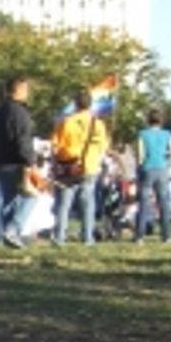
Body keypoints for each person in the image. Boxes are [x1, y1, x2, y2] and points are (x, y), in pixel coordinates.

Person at [49, 89, 109, 247]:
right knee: (88, 203)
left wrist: (56, 161)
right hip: (90, 166)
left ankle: (60, 236)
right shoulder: (98, 124)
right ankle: (88, 237)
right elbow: (104, 146)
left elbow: (56, 145)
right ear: (90, 104)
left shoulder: (67, 122)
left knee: (64, 203)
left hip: (69, 165)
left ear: (75, 104)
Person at [0, 76, 34, 250]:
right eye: (26, 89)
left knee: (9, 201)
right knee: (31, 196)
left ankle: (10, 236)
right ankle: (13, 230)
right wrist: (29, 162)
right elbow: (23, 140)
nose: (28, 93)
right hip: (15, 161)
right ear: (18, 90)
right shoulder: (19, 113)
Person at [136, 109, 171, 243]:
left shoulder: (142, 134)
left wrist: (141, 165)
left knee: (144, 202)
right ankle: (166, 235)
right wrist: (168, 163)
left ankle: (139, 236)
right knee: (163, 202)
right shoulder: (168, 134)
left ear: (148, 120)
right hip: (162, 168)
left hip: (148, 167)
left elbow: (140, 155)